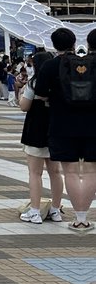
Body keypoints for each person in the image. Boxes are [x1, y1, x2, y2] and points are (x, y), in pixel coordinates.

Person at [34, 27, 96, 230]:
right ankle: (84, 218)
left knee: (70, 171)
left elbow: (41, 93)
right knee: (90, 171)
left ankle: (78, 218)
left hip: (62, 124)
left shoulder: (51, 66)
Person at [18, 48, 64, 224]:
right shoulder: (60, 82)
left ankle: (35, 211)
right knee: (56, 172)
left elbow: (24, 106)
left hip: (35, 131)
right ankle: (56, 210)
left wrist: (22, 93)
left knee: (35, 173)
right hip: (55, 131)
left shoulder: (34, 83)